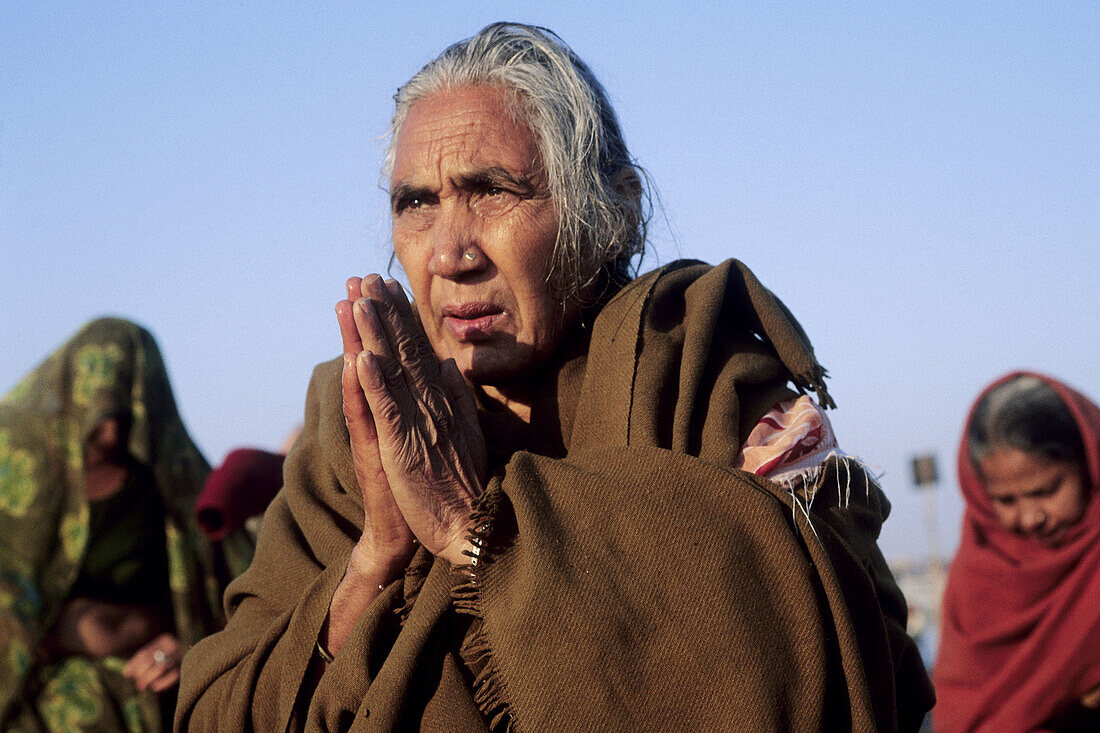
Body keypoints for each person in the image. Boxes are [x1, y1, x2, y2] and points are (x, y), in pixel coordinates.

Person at [177, 22, 933, 731]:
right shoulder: (359, 427)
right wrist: (377, 556)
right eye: (417, 204)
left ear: (607, 214)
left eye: (494, 191)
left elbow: (848, 661)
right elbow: (216, 706)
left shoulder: (704, 375)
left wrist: (475, 527)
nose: (450, 252)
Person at [0, 318, 251, 732]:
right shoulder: (17, 471)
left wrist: (186, 648)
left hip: (137, 692)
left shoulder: (173, 487)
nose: (113, 429)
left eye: (123, 411)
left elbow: (238, 602)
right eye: (100, 412)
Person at [935, 373, 1100, 732]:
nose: (1029, 518)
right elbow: (960, 708)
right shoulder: (980, 571)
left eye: (1046, 490)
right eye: (1005, 500)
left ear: (1089, 462)